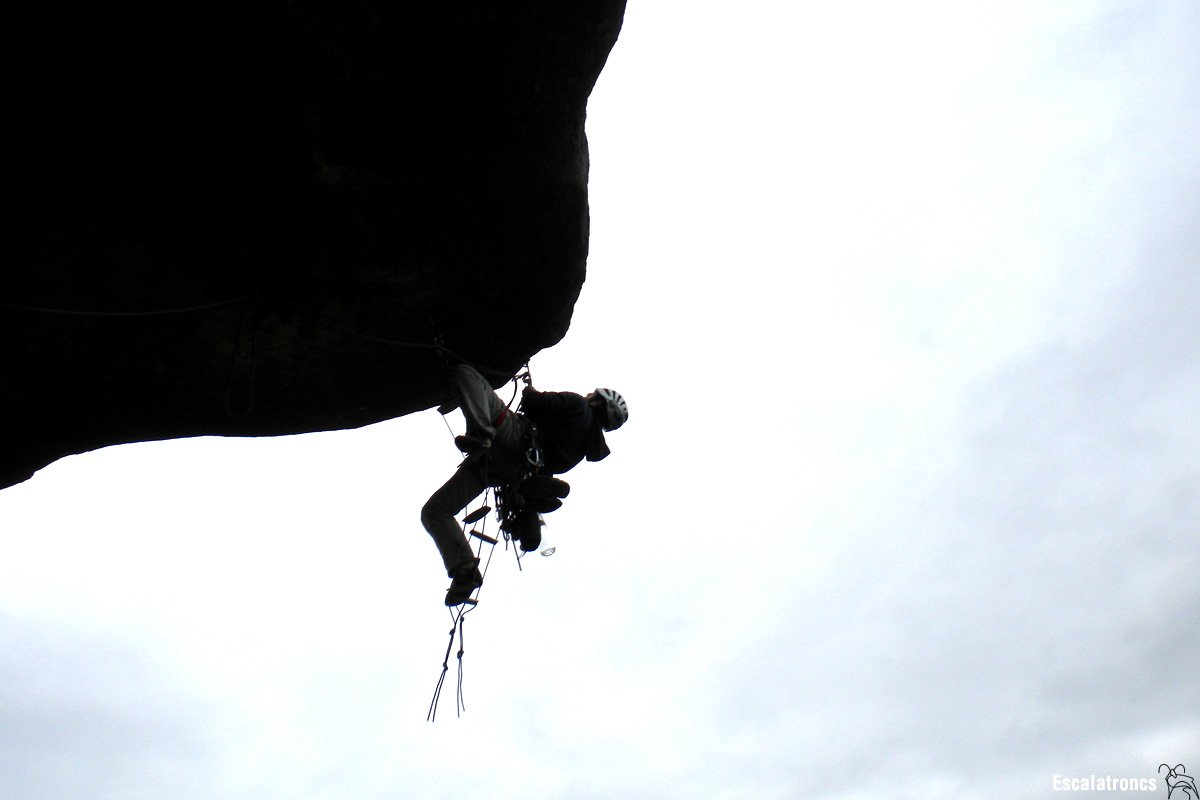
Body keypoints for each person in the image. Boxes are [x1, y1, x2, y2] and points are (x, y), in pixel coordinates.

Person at [421, 364, 628, 605]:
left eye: (593, 394)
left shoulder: (578, 405)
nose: (588, 395)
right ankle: (464, 568)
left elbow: (533, 403)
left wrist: (530, 390)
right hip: (503, 473)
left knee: (465, 373)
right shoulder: (580, 453)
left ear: (597, 402)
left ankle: (482, 435)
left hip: (511, 436)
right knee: (435, 510)